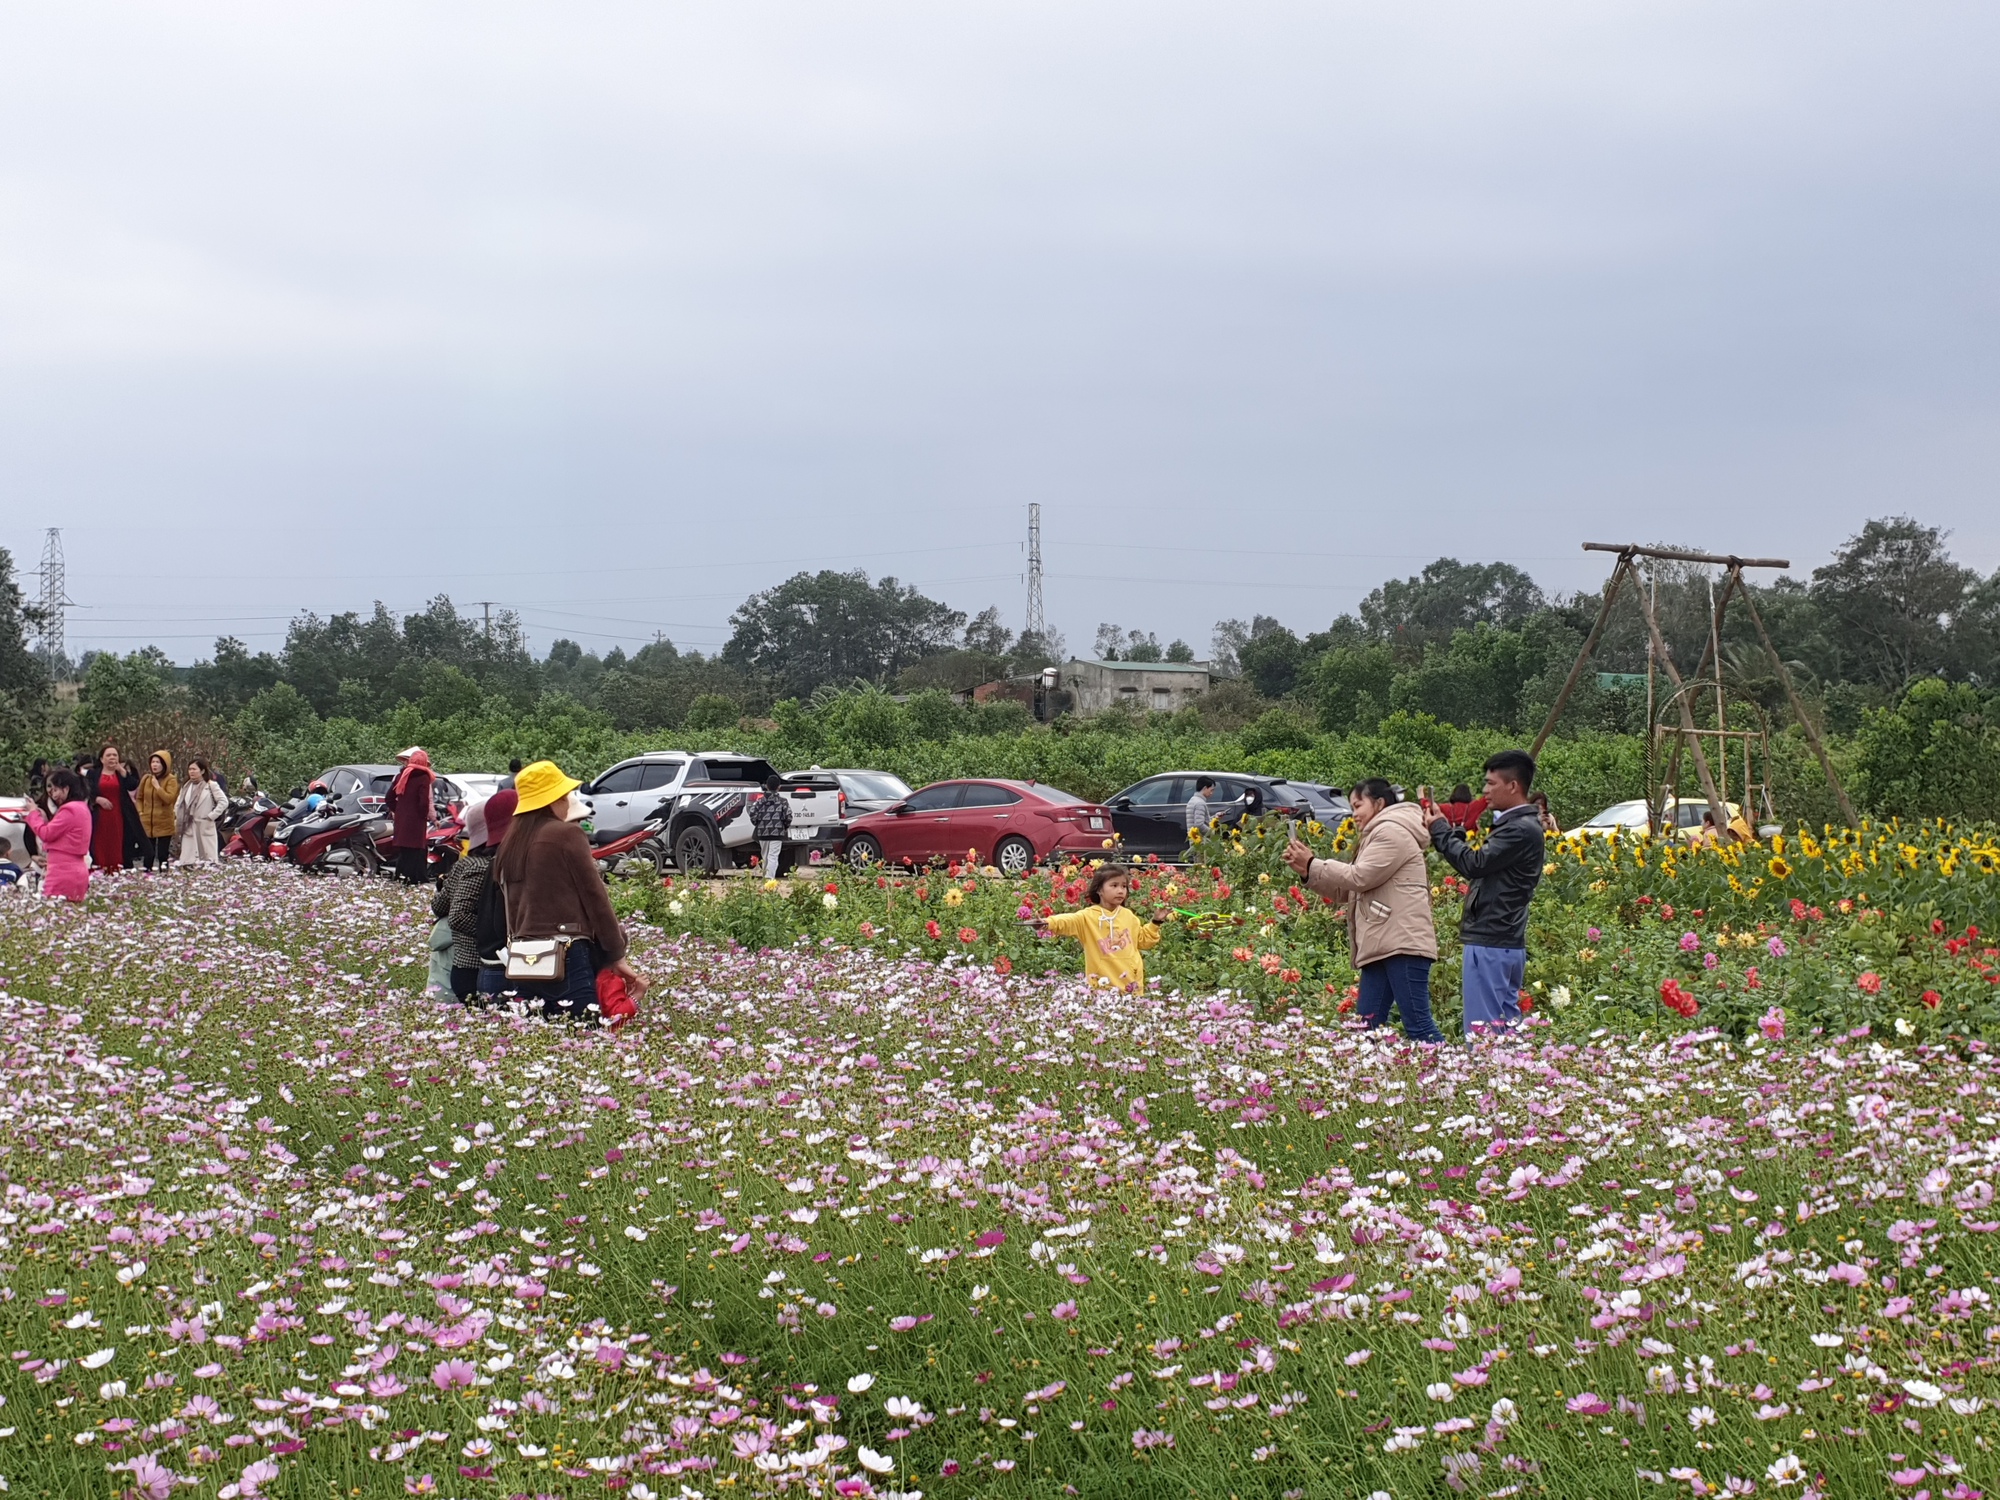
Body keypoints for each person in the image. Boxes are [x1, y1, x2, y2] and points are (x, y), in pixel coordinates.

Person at [1283, 778, 1445, 1044]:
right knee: (1365, 1028)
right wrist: (1307, 871)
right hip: (1383, 942)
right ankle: (1366, 1082)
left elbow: (1360, 877)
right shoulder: (1379, 833)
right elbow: (1348, 892)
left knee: (1418, 1025)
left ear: (1379, 803)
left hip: (1401, 942)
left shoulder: (1392, 831)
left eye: (1358, 805)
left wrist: (1314, 862)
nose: (1353, 814)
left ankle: (1453, 1076)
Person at [490, 761, 646, 1021]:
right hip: (567, 954)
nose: (568, 801)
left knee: (540, 1037)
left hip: (524, 959)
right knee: (584, 1033)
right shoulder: (565, 834)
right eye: (565, 795)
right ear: (551, 801)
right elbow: (595, 897)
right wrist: (616, 953)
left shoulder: (511, 842)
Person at [1423, 749, 1545, 1038]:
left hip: (1491, 939)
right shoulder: (1522, 825)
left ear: (1513, 786)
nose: (1484, 791)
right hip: (1504, 939)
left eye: (1491, 783)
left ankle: (1488, 1079)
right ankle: (1514, 1078)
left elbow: (1473, 864)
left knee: (1483, 1033)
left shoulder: (1518, 829)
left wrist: (1440, 830)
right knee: (1505, 1026)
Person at [433, 789, 516, 1002]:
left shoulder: (465, 863)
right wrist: (492, 934)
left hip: (461, 967)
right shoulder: (482, 868)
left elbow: (440, 906)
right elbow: (459, 916)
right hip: (474, 967)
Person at [1037, 863, 1161, 993]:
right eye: (1114, 885)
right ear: (1099, 890)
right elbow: (1066, 921)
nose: (1120, 890)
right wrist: (1047, 923)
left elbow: (1143, 941)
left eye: (1124, 886)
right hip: (1102, 994)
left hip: (1133, 990)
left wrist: (1156, 921)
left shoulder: (1128, 916)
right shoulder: (1087, 917)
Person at [24, 768, 94, 902]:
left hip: (63, 870)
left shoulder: (69, 809)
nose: (53, 794)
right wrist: (44, 820)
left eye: (55, 789)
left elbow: (46, 834)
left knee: (52, 911)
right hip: (75, 868)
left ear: (66, 789)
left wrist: (33, 813)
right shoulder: (81, 807)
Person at [382, 746, 435, 884]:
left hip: (402, 820)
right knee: (416, 851)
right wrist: (424, 816)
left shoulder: (401, 776)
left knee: (405, 851)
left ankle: (401, 877)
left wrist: (398, 811)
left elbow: (389, 798)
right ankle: (412, 879)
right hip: (416, 820)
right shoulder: (423, 777)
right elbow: (424, 801)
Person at [91, 746, 140, 872]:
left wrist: (122, 771)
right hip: (99, 815)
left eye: (115, 755)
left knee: (117, 844)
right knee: (100, 844)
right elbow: (85, 791)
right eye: (108, 755)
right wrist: (97, 799)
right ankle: (100, 870)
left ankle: (116, 870)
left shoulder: (121, 773)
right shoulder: (93, 774)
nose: (112, 757)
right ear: (102, 759)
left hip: (118, 815)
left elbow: (133, 785)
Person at [175, 758, 227, 865]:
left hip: (204, 825)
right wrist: (178, 816)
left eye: (194, 769)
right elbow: (179, 803)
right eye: (190, 769)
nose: (191, 772)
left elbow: (223, 801)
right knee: (188, 860)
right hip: (189, 825)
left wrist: (211, 816)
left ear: (202, 771)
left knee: (208, 860)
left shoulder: (210, 785)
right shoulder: (186, 786)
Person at [134, 751, 179, 871]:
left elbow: (169, 799)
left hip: (164, 822)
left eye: (158, 762)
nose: (154, 765)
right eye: (153, 762)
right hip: (147, 822)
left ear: (164, 764)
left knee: (162, 854)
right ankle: (146, 875)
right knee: (149, 853)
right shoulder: (146, 778)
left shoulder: (171, 780)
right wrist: (140, 812)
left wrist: (158, 787)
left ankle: (164, 877)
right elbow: (139, 798)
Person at [750, 774, 791, 876]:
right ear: (779, 787)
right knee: (773, 856)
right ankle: (769, 879)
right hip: (777, 833)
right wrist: (783, 827)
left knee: (765, 857)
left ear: (766, 786)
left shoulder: (760, 801)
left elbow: (752, 814)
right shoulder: (783, 801)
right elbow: (788, 817)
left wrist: (758, 824)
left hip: (762, 833)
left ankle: (766, 878)